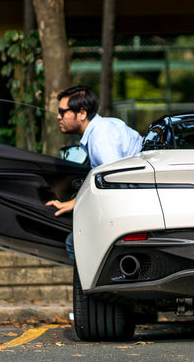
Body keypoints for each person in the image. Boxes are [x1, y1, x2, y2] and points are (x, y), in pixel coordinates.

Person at [46, 85, 143, 261]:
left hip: (134, 210)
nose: (58, 117)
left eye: (63, 112)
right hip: (134, 205)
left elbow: (115, 183)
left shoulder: (101, 139)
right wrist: (73, 203)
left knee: (74, 242)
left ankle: (99, 288)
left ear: (81, 114)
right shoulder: (101, 129)